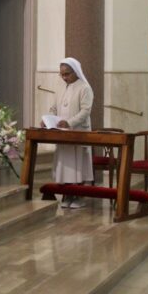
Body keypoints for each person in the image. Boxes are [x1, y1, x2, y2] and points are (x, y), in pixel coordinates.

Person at [49, 58, 93, 208]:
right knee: (65, 166)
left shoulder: (84, 88)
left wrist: (69, 122)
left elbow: (85, 111)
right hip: (63, 134)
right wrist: (48, 119)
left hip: (78, 133)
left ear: (76, 72)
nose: (64, 77)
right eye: (62, 74)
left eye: (67, 74)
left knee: (77, 165)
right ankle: (67, 195)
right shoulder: (60, 87)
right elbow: (54, 108)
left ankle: (78, 197)